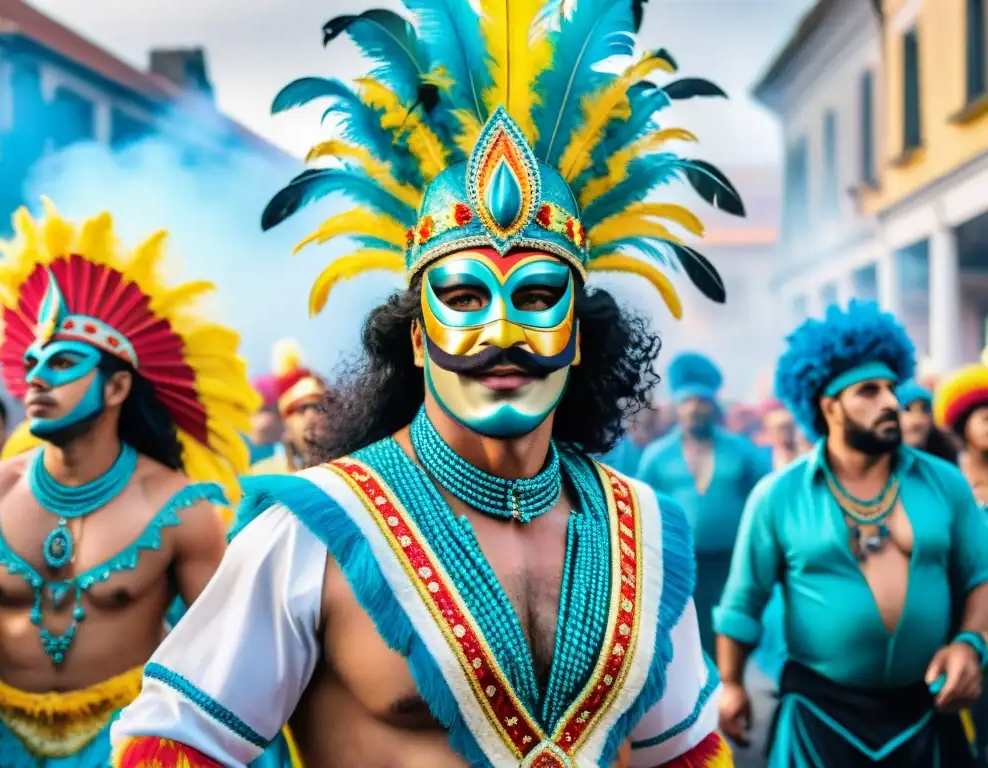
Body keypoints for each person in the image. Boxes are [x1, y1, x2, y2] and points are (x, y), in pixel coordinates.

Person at [110, 1, 745, 765]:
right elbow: (174, 742)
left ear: (579, 336)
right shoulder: (317, 530)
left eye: (539, 298)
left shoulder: (646, 530)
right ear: (415, 336)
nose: (501, 331)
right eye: (466, 298)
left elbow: (681, 752)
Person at [0, 201, 260, 766]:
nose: (36, 378)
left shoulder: (180, 509)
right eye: (32, 362)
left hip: (127, 748)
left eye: (63, 361)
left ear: (118, 387)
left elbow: (229, 665)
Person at [714, 300, 988, 766]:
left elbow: (979, 576)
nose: (889, 402)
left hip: (924, 708)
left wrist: (970, 642)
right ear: (829, 405)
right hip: (818, 718)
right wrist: (733, 683)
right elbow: (743, 604)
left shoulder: (945, 483)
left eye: (890, 388)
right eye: (868, 391)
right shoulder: (778, 495)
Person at [637, 352, 769, 659]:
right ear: (677, 407)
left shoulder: (740, 450)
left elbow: (764, 498)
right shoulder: (658, 456)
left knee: (732, 630)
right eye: (688, 401)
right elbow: (641, 511)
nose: (696, 408)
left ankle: (731, 688)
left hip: (731, 562)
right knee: (686, 639)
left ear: (714, 406)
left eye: (703, 401)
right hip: (680, 565)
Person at [249, 339, 326, 475]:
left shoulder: (354, 465)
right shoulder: (262, 477)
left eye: (319, 407)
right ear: (285, 427)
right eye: (300, 409)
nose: (311, 415)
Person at [897, 379, 958, 463]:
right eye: (907, 409)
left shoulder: (946, 460)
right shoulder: (882, 463)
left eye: (925, 409)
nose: (917, 420)